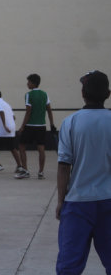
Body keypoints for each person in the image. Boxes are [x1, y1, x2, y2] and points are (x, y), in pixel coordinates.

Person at [55, 70, 111, 274]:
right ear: (108, 94)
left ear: (82, 93)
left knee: (69, 265)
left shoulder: (71, 122)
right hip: (108, 199)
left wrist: (61, 201)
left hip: (78, 204)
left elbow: (63, 165)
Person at [16, 73, 56, 179]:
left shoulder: (28, 95)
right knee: (41, 148)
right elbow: (49, 110)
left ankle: (25, 170)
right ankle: (41, 172)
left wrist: (22, 127)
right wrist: (52, 124)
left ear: (33, 83)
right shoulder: (45, 94)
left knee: (21, 146)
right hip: (42, 126)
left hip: (30, 126)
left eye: (28, 82)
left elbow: (28, 112)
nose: (27, 84)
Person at [0, 90, 22, 174]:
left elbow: (1, 112)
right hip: (11, 128)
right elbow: (13, 117)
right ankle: (20, 166)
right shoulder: (6, 104)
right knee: (12, 148)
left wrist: (4, 126)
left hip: (4, 128)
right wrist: (10, 126)